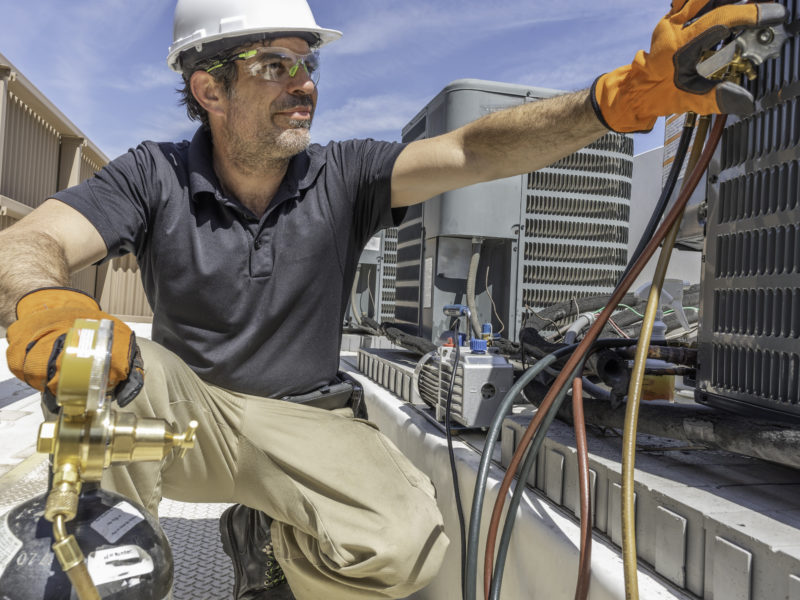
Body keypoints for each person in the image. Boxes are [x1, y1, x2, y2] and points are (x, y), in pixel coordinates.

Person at [0, 0, 785, 598]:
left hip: (309, 423)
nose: (303, 84)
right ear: (209, 86)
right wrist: (44, 300)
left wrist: (616, 101)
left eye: (307, 65)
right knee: (94, 357)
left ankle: (279, 549)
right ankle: (109, 557)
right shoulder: (152, 175)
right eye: (274, 65)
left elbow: (473, 148)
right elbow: (29, 243)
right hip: (190, 422)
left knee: (409, 543)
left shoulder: (345, 174)